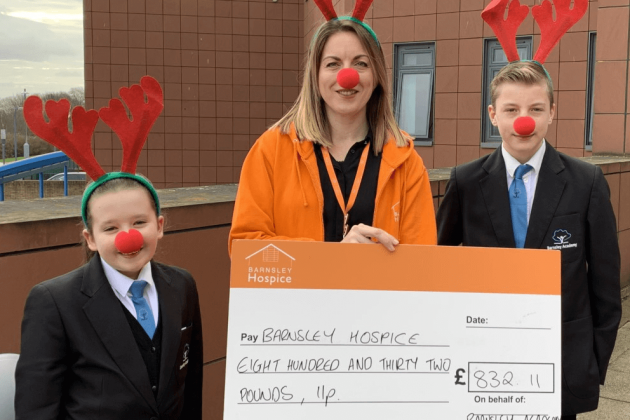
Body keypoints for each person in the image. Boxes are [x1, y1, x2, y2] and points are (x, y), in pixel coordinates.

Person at [436, 61, 621, 419]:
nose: (525, 120)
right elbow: (437, 266)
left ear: (552, 112)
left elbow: (606, 284)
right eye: (512, 110)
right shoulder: (465, 183)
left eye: (536, 109)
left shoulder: (587, 182)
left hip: (561, 362)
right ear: (493, 115)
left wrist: (593, 361)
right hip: (484, 357)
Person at [229, 13, 437, 253]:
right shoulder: (271, 151)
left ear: (377, 76)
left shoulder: (406, 163)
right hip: (297, 293)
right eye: (332, 64)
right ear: (315, 76)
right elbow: (244, 249)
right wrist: (331, 256)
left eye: (361, 63)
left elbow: (420, 263)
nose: (347, 77)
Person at [14, 175, 203, 419]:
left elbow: (191, 386)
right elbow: (36, 410)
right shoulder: (54, 302)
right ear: (90, 238)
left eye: (139, 222)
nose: (127, 237)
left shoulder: (182, 285)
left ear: (159, 226)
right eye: (111, 228)